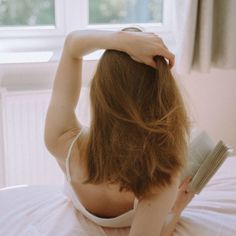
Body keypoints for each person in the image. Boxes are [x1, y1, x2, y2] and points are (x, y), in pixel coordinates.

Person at [44, 27, 195, 236]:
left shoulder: (61, 140)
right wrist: (176, 208)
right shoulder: (161, 175)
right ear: (162, 98)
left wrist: (119, 40)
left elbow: (72, 45)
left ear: (99, 92)